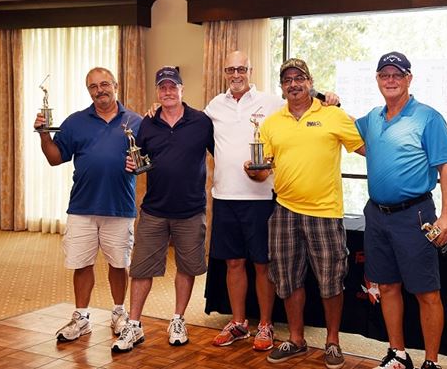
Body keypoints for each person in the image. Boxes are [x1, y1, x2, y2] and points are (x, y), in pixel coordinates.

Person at [247, 58, 364, 369]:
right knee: (287, 279)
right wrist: (253, 170)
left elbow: (366, 146)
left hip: (325, 212)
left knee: (331, 281)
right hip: (284, 210)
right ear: (282, 87)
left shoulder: (332, 115)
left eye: (299, 78)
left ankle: (332, 342)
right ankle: (296, 340)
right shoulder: (271, 123)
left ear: (310, 82)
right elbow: (263, 170)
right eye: (287, 80)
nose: (294, 84)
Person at [355, 52, 447, 369]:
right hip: (376, 215)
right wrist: (329, 104)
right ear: (377, 79)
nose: (391, 80)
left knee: (426, 292)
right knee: (387, 286)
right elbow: (352, 138)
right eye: (384, 75)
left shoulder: (428, 117)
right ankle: (398, 355)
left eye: (397, 75)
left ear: (409, 78)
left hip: (415, 215)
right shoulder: (372, 118)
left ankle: (431, 363)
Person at [111, 66, 214, 352]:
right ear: (158, 91)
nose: (168, 92)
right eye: (162, 87)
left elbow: (221, 151)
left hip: (191, 210)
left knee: (187, 268)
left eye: (172, 86)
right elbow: (138, 158)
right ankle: (134, 324)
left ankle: (178, 320)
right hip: (154, 210)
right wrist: (132, 163)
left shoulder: (201, 122)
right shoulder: (147, 124)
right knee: (141, 269)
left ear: (182, 89)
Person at [34, 67, 141, 342]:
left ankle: (119, 313)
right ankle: (81, 317)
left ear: (115, 85)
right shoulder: (75, 122)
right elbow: (55, 158)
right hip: (82, 207)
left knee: (119, 264)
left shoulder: (136, 121)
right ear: (89, 91)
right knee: (81, 264)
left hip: (119, 206)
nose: (99, 90)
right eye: (93, 86)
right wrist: (43, 134)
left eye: (104, 84)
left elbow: (148, 160)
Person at [204, 51, 284, 351]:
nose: (236, 74)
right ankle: (238, 323)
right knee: (233, 263)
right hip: (225, 197)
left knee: (262, 264)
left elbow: (299, 111)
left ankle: (265, 324)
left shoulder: (271, 102)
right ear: (225, 72)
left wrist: (326, 98)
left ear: (251, 70)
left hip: (260, 199)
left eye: (241, 68)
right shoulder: (215, 104)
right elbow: (189, 122)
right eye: (230, 69)